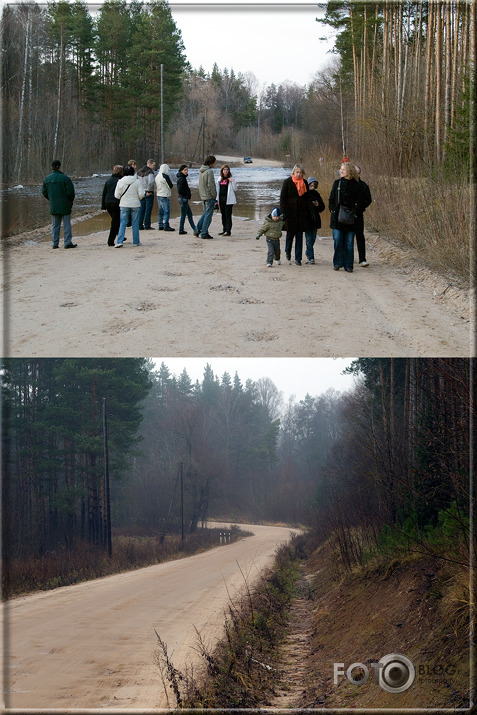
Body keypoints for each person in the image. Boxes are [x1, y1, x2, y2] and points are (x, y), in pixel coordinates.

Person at [328, 162, 364, 272]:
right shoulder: (337, 183)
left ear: (350, 171)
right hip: (337, 218)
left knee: (349, 243)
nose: (341, 171)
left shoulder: (357, 185)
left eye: (344, 169)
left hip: (351, 219)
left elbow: (362, 201)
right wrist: (333, 210)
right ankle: (338, 263)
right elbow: (331, 199)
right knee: (338, 240)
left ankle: (349, 265)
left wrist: (356, 211)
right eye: (341, 169)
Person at [279, 163, 311, 265]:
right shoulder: (287, 182)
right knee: (290, 236)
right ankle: (287, 251)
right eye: (297, 172)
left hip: (301, 214)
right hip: (290, 214)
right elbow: (282, 198)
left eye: (301, 173)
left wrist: (309, 212)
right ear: (293, 172)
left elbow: (307, 199)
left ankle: (298, 259)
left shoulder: (305, 183)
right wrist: (283, 212)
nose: (299, 174)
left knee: (299, 236)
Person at [42, 160, 76, 249]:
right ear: (59, 167)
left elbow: (44, 192)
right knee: (66, 224)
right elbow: (71, 192)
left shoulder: (47, 179)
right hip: (65, 204)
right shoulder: (65, 178)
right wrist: (70, 201)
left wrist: (51, 199)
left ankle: (54, 243)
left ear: (51, 167)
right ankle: (67, 242)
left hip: (54, 204)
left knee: (55, 225)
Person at [114, 165, 145, 247]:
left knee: (123, 223)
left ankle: (119, 241)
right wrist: (137, 198)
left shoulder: (120, 182)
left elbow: (116, 195)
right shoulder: (137, 181)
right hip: (135, 204)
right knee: (135, 223)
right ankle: (136, 242)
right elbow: (142, 194)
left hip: (124, 204)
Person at [304, 176, 325, 264]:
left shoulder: (316, 194)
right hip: (307, 219)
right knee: (309, 238)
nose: (312, 187)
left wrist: (317, 205)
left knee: (313, 238)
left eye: (314, 185)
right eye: (311, 185)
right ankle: (311, 257)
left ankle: (308, 252)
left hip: (315, 219)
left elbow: (322, 207)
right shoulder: (305, 194)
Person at [354, 165, 372, 266]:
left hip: (358, 214)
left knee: (360, 236)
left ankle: (362, 259)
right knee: (347, 237)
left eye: (358, 172)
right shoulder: (344, 184)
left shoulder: (363, 186)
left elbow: (368, 199)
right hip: (346, 214)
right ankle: (348, 258)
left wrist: (360, 206)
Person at [195, 155, 217, 239]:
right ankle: (204, 233)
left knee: (205, 214)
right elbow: (210, 184)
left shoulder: (201, 171)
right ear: (211, 163)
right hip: (209, 196)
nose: (214, 164)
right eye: (214, 163)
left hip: (203, 196)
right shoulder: (209, 171)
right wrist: (214, 194)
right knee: (208, 216)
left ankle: (197, 230)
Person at [101, 164, 123, 246]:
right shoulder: (121, 180)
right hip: (116, 203)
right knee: (115, 222)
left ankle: (120, 235)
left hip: (108, 203)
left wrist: (103, 206)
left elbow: (104, 193)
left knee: (116, 220)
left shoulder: (108, 180)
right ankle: (110, 241)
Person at [216, 164, 237, 236]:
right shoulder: (219, 179)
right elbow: (217, 190)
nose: (226, 171)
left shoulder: (231, 178)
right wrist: (216, 200)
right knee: (223, 215)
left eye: (227, 169)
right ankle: (224, 229)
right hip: (221, 199)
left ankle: (228, 231)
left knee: (228, 215)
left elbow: (235, 189)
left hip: (229, 200)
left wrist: (232, 181)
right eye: (224, 169)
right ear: (222, 170)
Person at [176, 164, 197, 235]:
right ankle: (194, 229)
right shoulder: (182, 178)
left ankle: (191, 229)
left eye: (187, 170)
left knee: (188, 214)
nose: (186, 171)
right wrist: (187, 194)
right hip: (183, 198)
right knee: (185, 215)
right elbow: (179, 190)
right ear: (181, 170)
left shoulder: (182, 177)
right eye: (185, 170)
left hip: (182, 198)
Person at [137, 159, 156, 231]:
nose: (154, 167)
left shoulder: (139, 172)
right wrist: (149, 191)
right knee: (148, 209)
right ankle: (147, 225)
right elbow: (151, 182)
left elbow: (136, 181)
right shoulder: (150, 172)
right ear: (149, 164)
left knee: (141, 209)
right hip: (148, 192)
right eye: (153, 165)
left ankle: (140, 225)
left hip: (141, 192)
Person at [155, 162, 175, 231]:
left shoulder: (157, 176)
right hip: (165, 195)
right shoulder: (165, 176)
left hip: (158, 194)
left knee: (160, 210)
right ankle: (166, 225)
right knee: (166, 211)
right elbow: (171, 185)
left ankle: (160, 224)